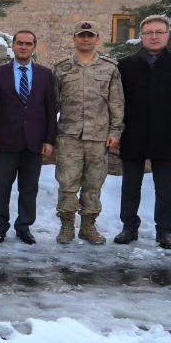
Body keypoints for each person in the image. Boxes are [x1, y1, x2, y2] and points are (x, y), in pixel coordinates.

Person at [115, 15, 171, 249]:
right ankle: (129, 227)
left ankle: (164, 231)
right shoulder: (126, 64)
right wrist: (117, 131)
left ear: (168, 35)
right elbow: (117, 102)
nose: (154, 36)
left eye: (159, 32)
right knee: (130, 185)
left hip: (167, 134)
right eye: (149, 32)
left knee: (165, 187)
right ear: (141, 36)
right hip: (132, 134)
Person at [52, 21, 124, 245]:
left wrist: (116, 132)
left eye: (89, 36)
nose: (85, 39)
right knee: (67, 183)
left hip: (98, 137)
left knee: (94, 184)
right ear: (74, 39)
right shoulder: (61, 68)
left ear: (97, 39)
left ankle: (88, 226)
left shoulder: (110, 68)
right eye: (81, 36)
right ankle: (66, 226)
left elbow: (116, 103)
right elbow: (52, 104)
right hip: (69, 136)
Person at [0, 30, 57, 244]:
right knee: (2, 188)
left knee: (29, 188)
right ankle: (0, 226)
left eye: (28, 43)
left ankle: (24, 226)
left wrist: (49, 139)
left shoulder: (45, 74)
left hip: (34, 142)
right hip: (6, 141)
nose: (24, 47)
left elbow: (51, 110)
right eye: (20, 43)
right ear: (13, 46)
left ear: (34, 47)